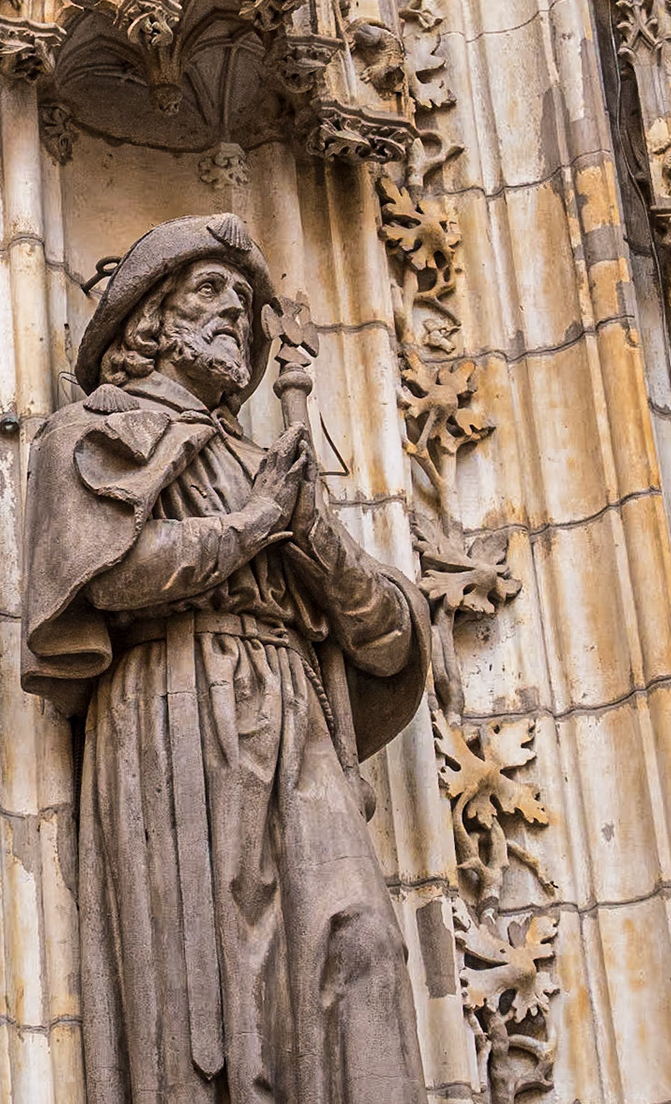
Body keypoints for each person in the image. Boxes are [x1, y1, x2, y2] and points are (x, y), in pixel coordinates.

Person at [22, 212, 430, 1104]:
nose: (235, 313)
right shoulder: (94, 433)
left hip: (293, 713)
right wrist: (251, 528)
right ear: (149, 319)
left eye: (247, 299)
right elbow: (107, 574)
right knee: (207, 985)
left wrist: (318, 540)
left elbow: (389, 635)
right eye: (210, 290)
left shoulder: (274, 463)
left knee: (363, 942)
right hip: (174, 701)